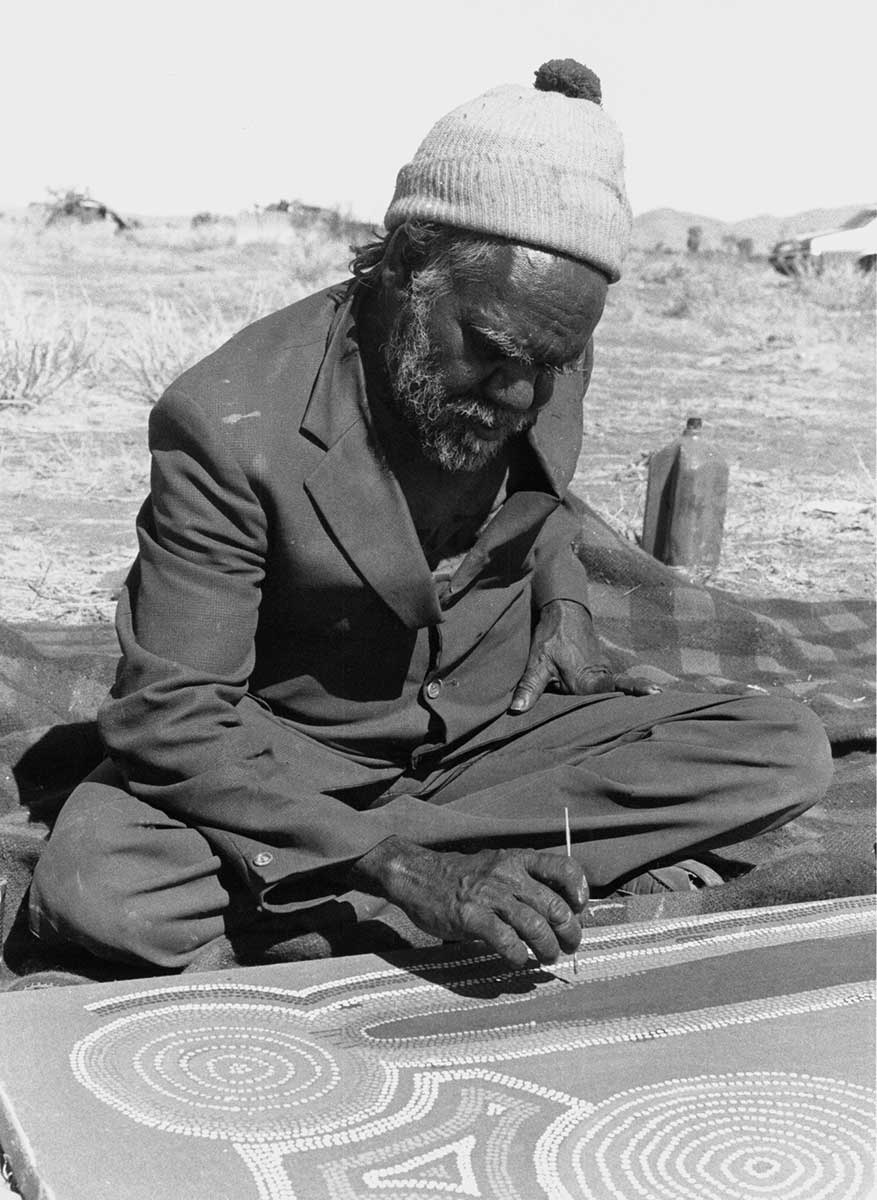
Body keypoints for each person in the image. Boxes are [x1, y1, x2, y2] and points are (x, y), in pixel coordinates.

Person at [29, 59, 832, 974]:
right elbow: (168, 713)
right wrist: (403, 865)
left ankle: (341, 894)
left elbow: (546, 495)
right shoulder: (225, 421)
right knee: (104, 885)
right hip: (296, 755)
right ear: (410, 265)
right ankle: (422, 876)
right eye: (493, 353)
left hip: (487, 737)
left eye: (553, 360)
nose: (521, 391)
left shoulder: (536, 347)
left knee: (781, 747)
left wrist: (562, 602)